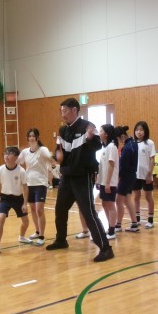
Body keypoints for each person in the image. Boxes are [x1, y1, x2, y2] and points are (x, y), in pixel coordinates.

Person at [46, 98, 114, 262]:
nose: (63, 114)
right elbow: (59, 151)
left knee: (88, 213)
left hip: (83, 177)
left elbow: (98, 146)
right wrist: (58, 155)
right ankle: (61, 240)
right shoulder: (63, 130)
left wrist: (90, 138)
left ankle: (106, 249)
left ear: (74, 110)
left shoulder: (88, 127)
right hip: (67, 177)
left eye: (65, 111)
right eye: (61, 111)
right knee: (60, 209)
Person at [0, 146, 31, 256]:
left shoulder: (21, 171)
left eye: (9, 154)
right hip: (5, 198)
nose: (6, 156)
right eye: (5, 154)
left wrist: (25, 203)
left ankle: (22, 237)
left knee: (26, 222)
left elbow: (25, 188)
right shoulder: (0, 170)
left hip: (18, 198)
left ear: (16, 157)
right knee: (1, 218)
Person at [18, 129, 52, 246]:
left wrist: (51, 162)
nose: (31, 138)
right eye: (30, 136)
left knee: (39, 210)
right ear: (27, 138)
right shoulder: (25, 152)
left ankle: (42, 236)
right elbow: (17, 162)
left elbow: (50, 160)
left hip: (40, 183)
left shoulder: (43, 150)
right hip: (29, 184)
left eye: (33, 136)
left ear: (37, 137)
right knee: (32, 209)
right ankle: (37, 231)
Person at [115, 125, 139, 232]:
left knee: (118, 200)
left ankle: (118, 225)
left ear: (122, 136)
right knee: (128, 200)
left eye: (117, 138)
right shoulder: (133, 144)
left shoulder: (127, 147)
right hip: (131, 176)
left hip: (126, 177)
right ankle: (134, 224)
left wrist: (118, 177)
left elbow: (123, 166)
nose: (118, 141)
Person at [97, 124, 119, 239]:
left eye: (100, 131)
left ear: (106, 134)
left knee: (110, 205)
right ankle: (110, 226)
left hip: (110, 182)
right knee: (104, 204)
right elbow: (102, 167)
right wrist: (99, 180)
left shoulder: (112, 147)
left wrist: (108, 182)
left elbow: (111, 165)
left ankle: (112, 231)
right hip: (103, 182)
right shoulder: (105, 148)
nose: (99, 133)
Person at [133, 121, 156, 228]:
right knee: (136, 196)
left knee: (148, 196)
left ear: (145, 131)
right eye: (137, 130)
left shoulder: (149, 143)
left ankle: (150, 220)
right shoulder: (132, 143)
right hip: (135, 175)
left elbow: (152, 160)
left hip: (146, 175)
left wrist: (149, 174)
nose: (139, 132)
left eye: (141, 130)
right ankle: (137, 219)